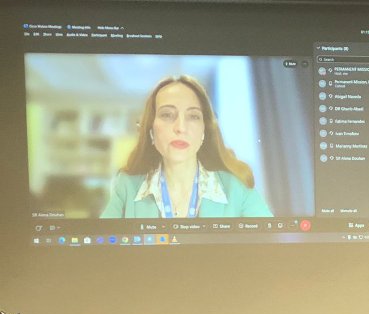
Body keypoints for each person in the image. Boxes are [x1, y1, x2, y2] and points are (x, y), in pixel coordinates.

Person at [101, 75, 273, 218]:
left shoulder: (237, 188)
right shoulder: (126, 186)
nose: (181, 128)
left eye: (193, 116)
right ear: (151, 130)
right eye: (167, 115)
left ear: (204, 131)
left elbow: (273, 243)